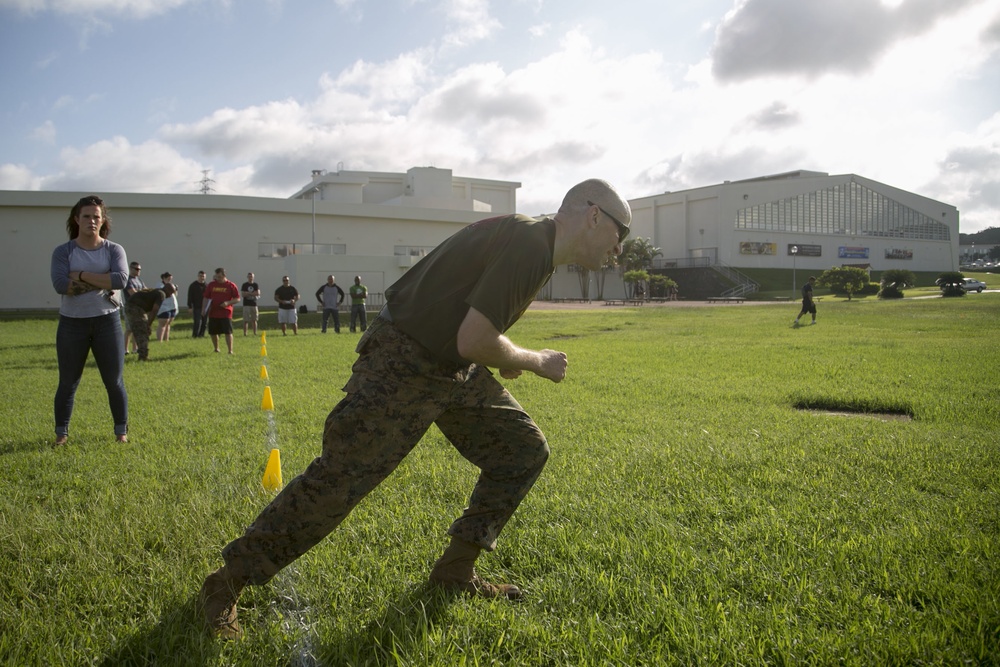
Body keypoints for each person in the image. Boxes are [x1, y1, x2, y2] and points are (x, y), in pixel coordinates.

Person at [199, 178, 632, 640]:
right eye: (619, 236)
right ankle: (225, 583)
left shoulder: (537, 246)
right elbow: (475, 338)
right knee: (339, 481)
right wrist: (534, 360)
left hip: (451, 367)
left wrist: (499, 354)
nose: (617, 251)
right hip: (404, 361)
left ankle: (456, 569)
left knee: (521, 449)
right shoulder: (531, 243)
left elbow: (474, 333)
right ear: (593, 215)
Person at [49, 195, 130, 446]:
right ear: (77, 219)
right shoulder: (63, 251)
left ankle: (121, 432)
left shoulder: (114, 250)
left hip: (108, 322)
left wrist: (81, 275)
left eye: (96, 216)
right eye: (86, 216)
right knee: (68, 382)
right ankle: (61, 434)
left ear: (103, 220)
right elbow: (61, 284)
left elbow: (120, 280)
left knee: (114, 381)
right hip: (73, 323)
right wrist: (101, 278)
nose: (92, 221)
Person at [124, 286, 168, 361]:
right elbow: (154, 311)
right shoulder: (161, 294)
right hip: (135, 307)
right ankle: (143, 356)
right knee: (142, 331)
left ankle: (142, 354)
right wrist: (148, 325)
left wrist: (148, 324)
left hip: (132, 306)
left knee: (141, 330)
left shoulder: (156, 291)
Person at [203, 268, 241, 353]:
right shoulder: (211, 285)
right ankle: (216, 348)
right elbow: (206, 297)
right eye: (216, 276)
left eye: (219, 277)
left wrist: (228, 303)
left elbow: (238, 299)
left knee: (228, 332)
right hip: (213, 312)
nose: (218, 279)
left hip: (226, 313)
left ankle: (230, 350)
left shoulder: (231, 285)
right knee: (213, 332)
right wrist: (204, 309)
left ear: (224, 276)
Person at [122, 261, 145, 354]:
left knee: (137, 328)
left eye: (139, 269)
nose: (138, 271)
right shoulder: (128, 280)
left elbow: (145, 289)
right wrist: (143, 294)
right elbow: (132, 293)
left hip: (139, 307)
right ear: (131, 269)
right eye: (136, 269)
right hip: (130, 307)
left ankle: (135, 349)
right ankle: (125, 349)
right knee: (129, 329)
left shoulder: (139, 280)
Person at [156, 271, 178, 342]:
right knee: (163, 323)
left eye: (170, 279)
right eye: (168, 279)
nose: (170, 280)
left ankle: (166, 339)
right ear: (163, 278)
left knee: (168, 323)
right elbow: (163, 294)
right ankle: (160, 340)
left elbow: (175, 295)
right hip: (163, 307)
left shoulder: (171, 285)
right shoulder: (160, 285)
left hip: (172, 306)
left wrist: (175, 289)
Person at [188, 270, 208, 338]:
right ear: (198, 276)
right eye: (200, 276)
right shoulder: (193, 285)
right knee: (197, 322)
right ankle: (195, 335)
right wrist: (190, 306)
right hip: (197, 307)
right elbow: (190, 296)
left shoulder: (207, 285)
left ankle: (201, 335)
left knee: (204, 322)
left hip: (205, 307)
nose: (202, 277)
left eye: (203, 276)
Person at [241, 272, 261, 336]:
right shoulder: (244, 285)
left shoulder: (255, 285)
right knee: (245, 320)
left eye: (251, 276)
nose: (250, 278)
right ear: (247, 277)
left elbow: (257, 293)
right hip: (246, 304)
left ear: (253, 277)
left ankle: (255, 333)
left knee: (254, 320)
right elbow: (243, 294)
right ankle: (245, 333)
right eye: (249, 276)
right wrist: (252, 293)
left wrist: (248, 293)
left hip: (254, 304)